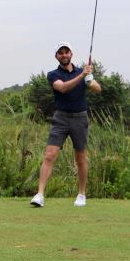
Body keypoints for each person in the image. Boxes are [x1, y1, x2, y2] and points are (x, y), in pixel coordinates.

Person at [30, 42, 102, 207]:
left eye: (66, 52)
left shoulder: (82, 72)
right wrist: (82, 76)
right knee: (49, 155)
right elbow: (62, 88)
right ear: (56, 56)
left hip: (80, 118)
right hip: (60, 118)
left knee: (81, 159)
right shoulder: (53, 74)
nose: (64, 55)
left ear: (71, 54)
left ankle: (82, 195)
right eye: (60, 53)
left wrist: (89, 78)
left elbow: (98, 89)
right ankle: (40, 195)